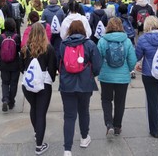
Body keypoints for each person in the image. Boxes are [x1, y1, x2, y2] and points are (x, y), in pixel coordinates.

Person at [59, 20, 102, 156]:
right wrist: (90, 74)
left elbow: (59, 63)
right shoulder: (89, 44)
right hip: (85, 83)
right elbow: (97, 66)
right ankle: (84, 138)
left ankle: (67, 149)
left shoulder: (63, 44)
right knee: (84, 111)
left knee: (69, 116)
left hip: (67, 84)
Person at [20, 22, 57, 155]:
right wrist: (51, 80)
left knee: (34, 109)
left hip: (28, 85)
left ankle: (37, 133)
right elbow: (53, 68)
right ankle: (39, 145)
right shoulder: (49, 48)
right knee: (41, 114)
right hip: (43, 85)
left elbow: (21, 67)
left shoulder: (25, 48)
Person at [97, 18, 137, 137]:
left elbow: (97, 59)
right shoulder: (127, 41)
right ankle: (117, 126)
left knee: (106, 100)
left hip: (106, 76)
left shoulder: (102, 41)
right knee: (120, 102)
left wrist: (99, 70)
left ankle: (108, 123)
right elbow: (132, 59)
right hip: (122, 77)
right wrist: (129, 69)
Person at [0, 18, 21, 112]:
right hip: (15, 63)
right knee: (13, 83)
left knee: (4, 82)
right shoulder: (16, 37)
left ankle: (5, 99)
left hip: (4, 63)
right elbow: (19, 49)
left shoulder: (1, 36)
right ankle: (11, 101)